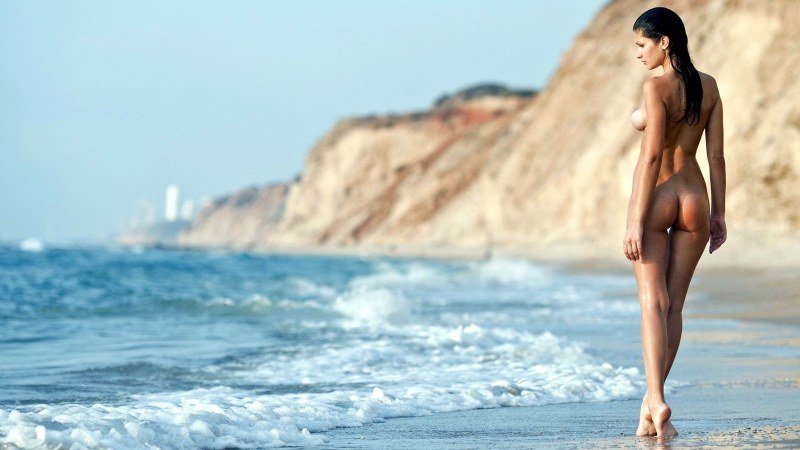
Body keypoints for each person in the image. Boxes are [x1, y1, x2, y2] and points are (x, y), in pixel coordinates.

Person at [623, 7, 727, 438]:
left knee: (654, 303)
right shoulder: (710, 86)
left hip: (660, 194)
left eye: (642, 45)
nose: (639, 55)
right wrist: (719, 213)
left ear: (664, 41)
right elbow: (716, 156)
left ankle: (657, 399)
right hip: (696, 198)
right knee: (676, 306)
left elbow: (649, 157)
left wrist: (633, 218)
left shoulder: (656, 88)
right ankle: (651, 406)